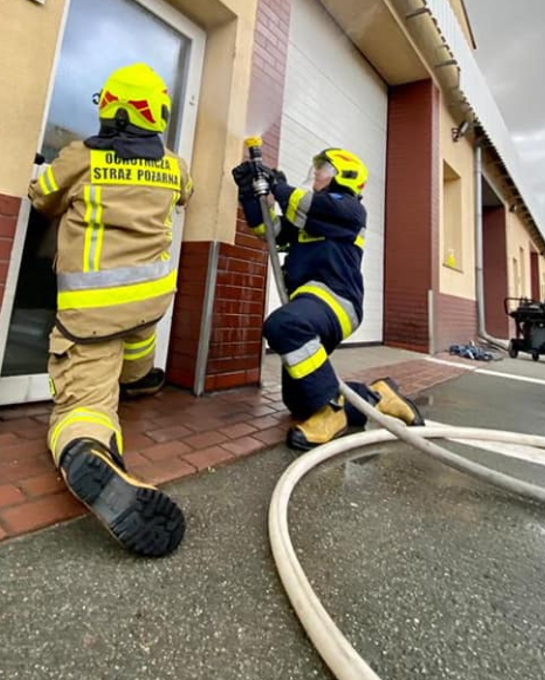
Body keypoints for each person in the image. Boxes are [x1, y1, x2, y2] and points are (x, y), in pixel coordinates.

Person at [27, 63, 193, 557]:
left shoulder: (82, 158)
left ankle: (86, 447)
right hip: (148, 306)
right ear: (157, 115)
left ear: (107, 109)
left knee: (83, 404)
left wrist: (46, 169)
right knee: (137, 344)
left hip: (91, 316)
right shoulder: (173, 164)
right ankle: (139, 378)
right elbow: (187, 193)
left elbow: (41, 195)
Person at [235, 148, 422, 450]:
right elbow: (268, 231)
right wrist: (249, 193)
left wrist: (275, 186)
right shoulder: (309, 217)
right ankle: (376, 395)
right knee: (300, 402)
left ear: (343, 175)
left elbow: (307, 205)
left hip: (337, 300)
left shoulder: (348, 210)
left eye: (323, 167)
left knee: (283, 326)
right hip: (310, 302)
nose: (316, 172)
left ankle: (332, 414)